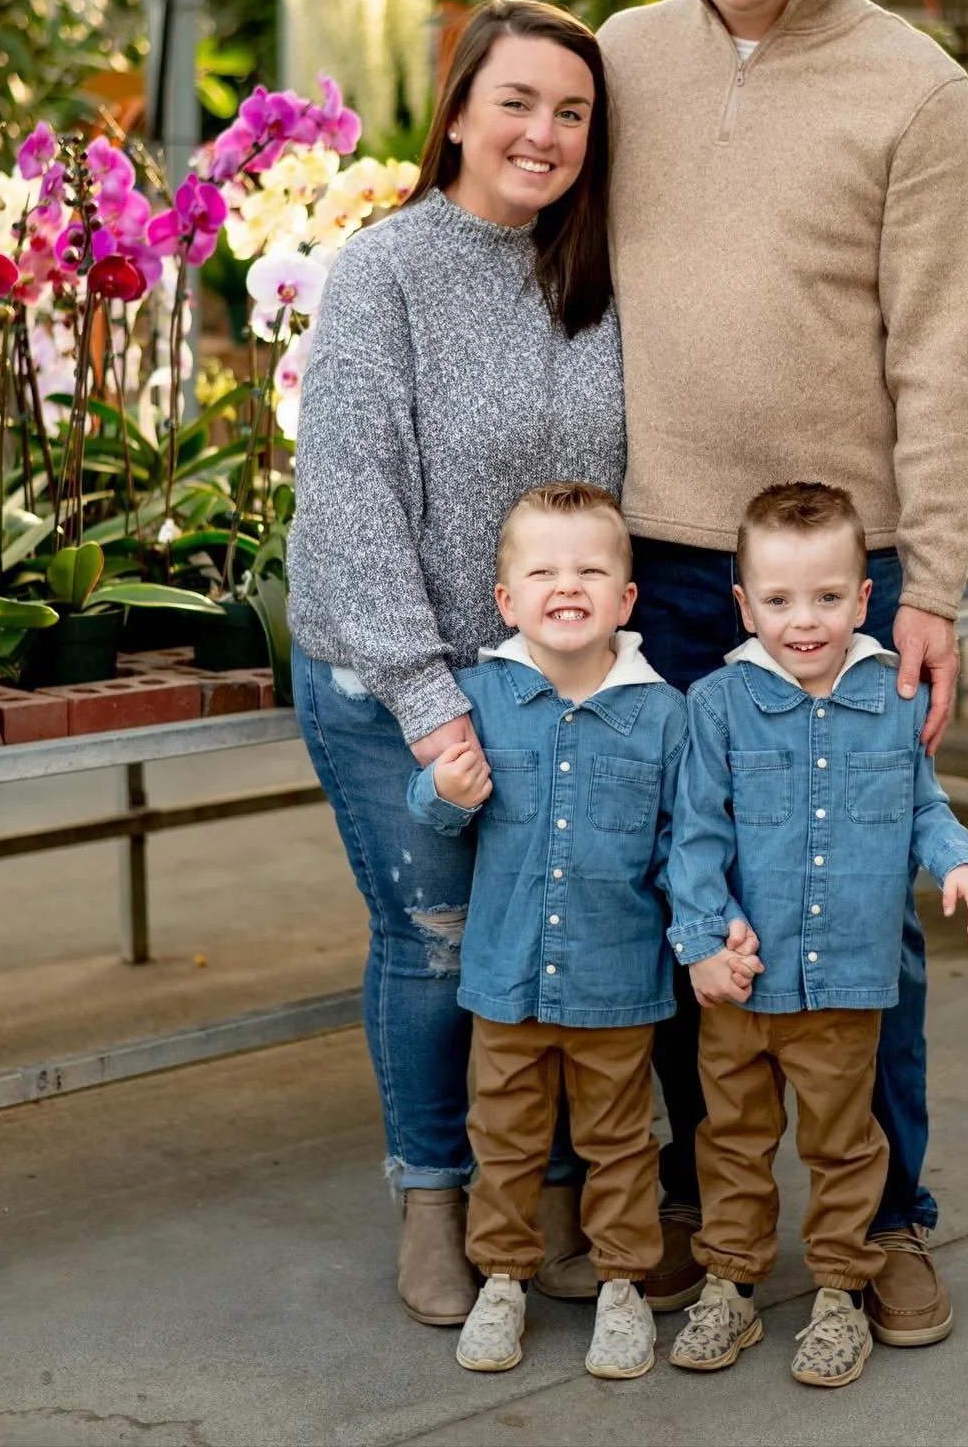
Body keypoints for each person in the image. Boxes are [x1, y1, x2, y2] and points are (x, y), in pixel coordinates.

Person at [598, 0, 968, 1338]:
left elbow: (947, 359)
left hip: (845, 579)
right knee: (682, 896)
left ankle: (885, 1221)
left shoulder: (918, 93)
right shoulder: (629, 57)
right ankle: (700, 1211)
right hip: (655, 566)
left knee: (850, 908)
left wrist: (940, 590)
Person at [287, 0, 626, 1329]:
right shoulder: (387, 269)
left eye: (572, 112)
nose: (542, 133)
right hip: (394, 678)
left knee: (544, 936)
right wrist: (434, 708)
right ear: (460, 111)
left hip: (551, 685)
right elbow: (353, 502)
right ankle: (434, 1193)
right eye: (518, 102)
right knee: (434, 941)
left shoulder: (592, 276)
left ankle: (536, 1191)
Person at [664, 483, 968, 1389]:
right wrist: (700, 940)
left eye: (824, 598)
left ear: (863, 598)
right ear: (744, 603)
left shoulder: (891, 699)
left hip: (848, 987)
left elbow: (925, 807)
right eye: (777, 600)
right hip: (741, 982)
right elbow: (692, 835)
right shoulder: (718, 704)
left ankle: (840, 1294)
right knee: (730, 1141)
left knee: (844, 1146)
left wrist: (962, 864)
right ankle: (729, 1283)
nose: (801, 622)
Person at [406, 483, 697, 1380]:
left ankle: (620, 1284)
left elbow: (687, 844)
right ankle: (502, 1276)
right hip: (506, 980)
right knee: (506, 1139)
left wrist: (707, 934)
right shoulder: (484, 698)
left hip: (617, 984)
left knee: (619, 1142)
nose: (565, 586)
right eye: (542, 571)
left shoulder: (663, 715)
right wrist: (441, 794)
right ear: (506, 600)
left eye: (590, 570)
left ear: (626, 599)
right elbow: (436, 809)